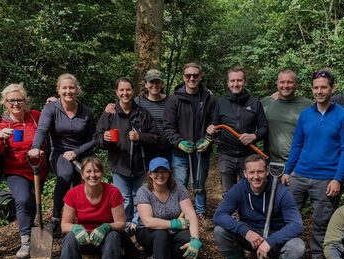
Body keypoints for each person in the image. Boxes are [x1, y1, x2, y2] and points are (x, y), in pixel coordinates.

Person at [281, 71, 344, 259]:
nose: (319, 91)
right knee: (288, 215)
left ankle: (318, 257)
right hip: (300, 175)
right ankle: (287, 252)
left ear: (332, 88)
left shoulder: (343, 116)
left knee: (322, 221)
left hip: (326, 179)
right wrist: (288, 171)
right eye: (316, 87)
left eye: (323, 87)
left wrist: (338, 179)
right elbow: (297, 144)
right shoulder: (306, 114)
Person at [213, 155, 304, 259]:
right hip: (250, 235)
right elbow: (219, 215)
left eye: (260, 172)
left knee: (297, 246)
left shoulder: (282, 192)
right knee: (220, 231)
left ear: (267, 171)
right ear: (245, 174)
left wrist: (270, 242)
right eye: (252, 172)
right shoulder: (239, 188)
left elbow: (296, 225)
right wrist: (246, 232)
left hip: (275, 237)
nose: (256, 176)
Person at [55, 158, 126, 259]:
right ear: (82, 174)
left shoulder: (112, 192)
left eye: (96, 171)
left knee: (114, 236)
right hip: (84, 238)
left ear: (102, 173)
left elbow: (121, 223)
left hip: (105, 238)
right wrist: (76, 228)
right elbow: (64, 225)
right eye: (88, 171)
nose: (92, 175)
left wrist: (106, 226)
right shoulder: (73, 193)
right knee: (69, 238)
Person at [29, 73, 95, 235]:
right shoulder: (51, 108)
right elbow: (42, 129)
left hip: (81, 152)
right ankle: (56, 218)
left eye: (71, 87)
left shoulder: (86, 111)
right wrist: (35, 147)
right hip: (59, 152)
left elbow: (94, 138)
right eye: (64, 88)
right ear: (58, 90)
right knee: (65, 174)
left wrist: (77, 152)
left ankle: (82, 216)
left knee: (87, 176)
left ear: (76, 90)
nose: (68, 91)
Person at [0, 83, 48, 259]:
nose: (16, 103)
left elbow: (52, 120)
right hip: (16, 170)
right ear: (5, 102)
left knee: (33, 203)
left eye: (19, 100)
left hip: (38, 170)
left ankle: (33, 234)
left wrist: (53, 103)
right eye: (11, 100)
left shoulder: (35, 117)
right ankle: (26, 241)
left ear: (25, 101)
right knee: (22, 200)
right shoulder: (2, 124)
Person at [95, 77, 158, 235]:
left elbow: (155, 137)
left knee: (139, 196)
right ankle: (124, 225)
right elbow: (97, 137)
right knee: (124, 197)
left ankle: (137, 225)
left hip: (140, 165)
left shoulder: (142, 113)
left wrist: (140, 137)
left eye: (128, 90)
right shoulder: (110, 113)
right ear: (116, 92)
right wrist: (105, 138)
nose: (125, 93)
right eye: (121, 90)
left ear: (133, 91)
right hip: (119, 164)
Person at [135, 157, 201, 259]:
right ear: (150, 174)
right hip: (148, 233)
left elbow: (190, 214)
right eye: (156, 172)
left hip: (172, 232)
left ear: (169, 173)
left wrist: (196, 239)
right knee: (160, 233)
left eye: (164, 171)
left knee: (188, 240)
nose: (160, 175)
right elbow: (148, 221)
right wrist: (174, 223)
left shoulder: (178, 188)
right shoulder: (144, 191)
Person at [163, 62, 216, 219]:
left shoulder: (209, 98)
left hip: (202, 150)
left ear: (200, 77)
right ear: (183, 77)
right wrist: (178, 142)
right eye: (188, 75)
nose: (192, 78)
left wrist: (209, 139)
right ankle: (180, 212)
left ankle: (200, 212)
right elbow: (168, 126)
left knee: (199, 184)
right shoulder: (174, 100)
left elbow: (215, 123)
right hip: (180, 152)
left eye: (195, 75)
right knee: (180, 184)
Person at [206, 66, 268, 197]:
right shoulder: (221, 103)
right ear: (228, 83)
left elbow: (264, 128)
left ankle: (248, 217)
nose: (236, 84)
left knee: (250, 191)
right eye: (232, 81)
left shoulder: (255, 103)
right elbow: (215, 126)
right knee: (228, 193)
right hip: (226, 155)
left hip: (248, 156)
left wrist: (253, 136)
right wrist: (211, 129)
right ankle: (230, 217)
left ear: (245, 82)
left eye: (239, 80)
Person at [261, 69, 313, 163]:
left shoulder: (308, 106)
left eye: (289, 82)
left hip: (298, 165)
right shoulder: (266, 103)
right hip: (270, 164)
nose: (285, 86)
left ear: (296, 84)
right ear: (277, 83)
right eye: (282, 82)